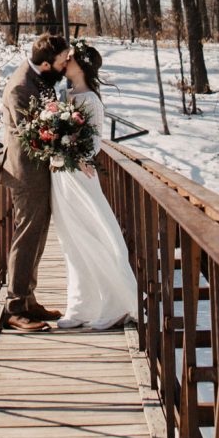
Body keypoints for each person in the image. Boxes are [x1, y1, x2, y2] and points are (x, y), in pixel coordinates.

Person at [50, 43, 137, 330]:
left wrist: (71, 155)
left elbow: (94, 142)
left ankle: (117, 304)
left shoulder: (90, 101)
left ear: (83, 66)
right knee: (70, 241)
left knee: (93, 235)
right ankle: (80, 307)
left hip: (79, 175)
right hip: (60, 175)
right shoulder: (65, 94)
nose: (66, 61)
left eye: (71, 58)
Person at [1, 32, 69, 331]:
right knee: (27, 234)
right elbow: (32, 134)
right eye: (62, 61)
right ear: (46, 63)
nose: (66, 65)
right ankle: (15, 308)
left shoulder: (40, 79)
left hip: (39, 171)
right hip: (25, 172)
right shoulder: (20, 86)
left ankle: (29, 298)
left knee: (39, 234)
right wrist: (64, 138)